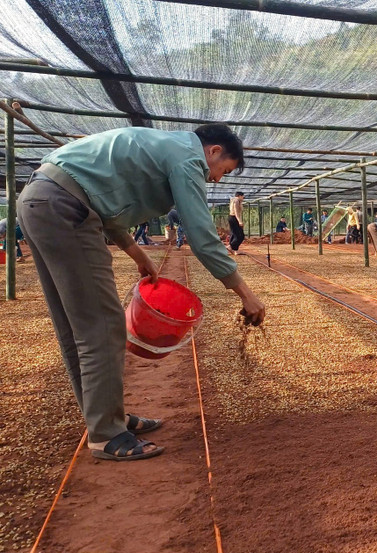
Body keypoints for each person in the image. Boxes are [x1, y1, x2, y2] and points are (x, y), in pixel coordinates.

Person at [17, 123, 266, 462]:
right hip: (65, 208)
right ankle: (107, 435)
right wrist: (245, 294)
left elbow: (107, 205)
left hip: (41, 199)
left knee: (75, 326)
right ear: (213, 151)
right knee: (103, 326)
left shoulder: (163, 145)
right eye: (222, 171)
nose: (218, 180)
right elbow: (201, 234)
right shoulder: (187, 158)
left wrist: (138, 254)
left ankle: (106, 418)